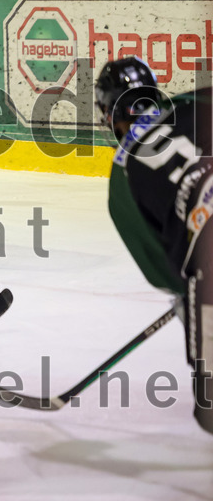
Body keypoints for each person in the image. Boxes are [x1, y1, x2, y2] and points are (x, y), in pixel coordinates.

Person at [94, 55, 213, 433]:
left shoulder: (122, 174)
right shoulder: (192, 103)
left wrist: (183, 294)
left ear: (109, 112)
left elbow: (159, 268)